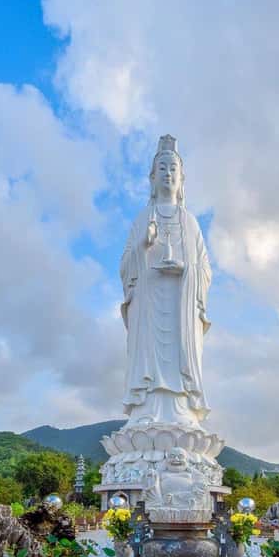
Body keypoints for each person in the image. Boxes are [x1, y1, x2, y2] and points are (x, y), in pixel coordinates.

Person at [120, 135, 212, 428]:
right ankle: (146, 409)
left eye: (173, 169)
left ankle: (182, 411)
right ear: (152, 177)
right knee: (149, 355)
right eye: (162, 169)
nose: (168, 174)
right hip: (149, 303)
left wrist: (187, 269)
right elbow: (125, 266)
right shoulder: (142, 218)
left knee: (180, 353)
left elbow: (205, 269)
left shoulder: (190, 222)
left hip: (180, 304)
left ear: (181, 178)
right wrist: (142, 247)